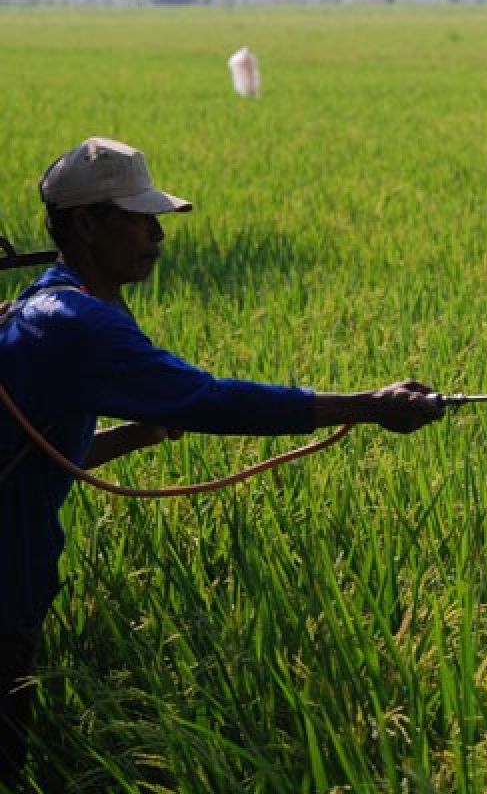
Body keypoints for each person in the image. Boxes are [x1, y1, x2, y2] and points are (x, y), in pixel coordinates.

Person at [0, 137, 445, 786]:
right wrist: (368, 405)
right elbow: (210, 398)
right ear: (88, 224)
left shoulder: (49, 298)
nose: (156, 235)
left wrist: (138, 434)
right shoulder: (75, 322)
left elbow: (41, 454)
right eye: (137, 218)